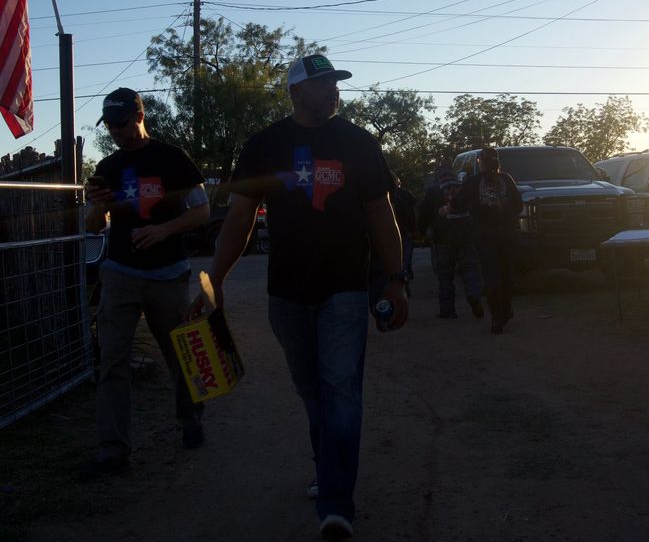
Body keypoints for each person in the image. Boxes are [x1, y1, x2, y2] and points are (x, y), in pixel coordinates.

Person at [192, 54, 408, 542]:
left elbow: (381, 215)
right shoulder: (266, 145)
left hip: (346, 289)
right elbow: (241, 217)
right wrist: (216, 277)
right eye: (323, 83)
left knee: (340, 390)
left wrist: (396, 278)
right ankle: (328, 468)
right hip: (286, 291)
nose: (334, 90)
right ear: (295, 91)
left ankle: (336, 504)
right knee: (313, 392)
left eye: (335, 82)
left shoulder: (358, 142)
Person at [79, 87, 212, 479]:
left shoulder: (172, 158)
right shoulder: (108, 165)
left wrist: (163, 230)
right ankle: (113, 451)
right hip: (120, 272)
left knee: (178, 353)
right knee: (113, 361)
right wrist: (97, 205)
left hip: (168, 273)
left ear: (139, 115)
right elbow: (91, 226)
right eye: (110, 125)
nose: (116, 132)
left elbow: (202, 211)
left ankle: (190, 419)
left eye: (122, 123)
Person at [448, 147, 522, 334]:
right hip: (508, 235)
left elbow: (457, 203)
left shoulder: (473, 182)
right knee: (507, 274)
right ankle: (505, 310)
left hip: (484, 236)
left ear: (480, 162)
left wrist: (447, 207)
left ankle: (496, 318)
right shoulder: (507, 179)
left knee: (491, 276)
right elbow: (519, 205)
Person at [416, 166, 484, 319]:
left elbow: (424, 213)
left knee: (445, 276)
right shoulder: (464, 187)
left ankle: (448, 311)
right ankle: (474, 295)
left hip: (443, 240)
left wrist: (420, 232)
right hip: (467, 237)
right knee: (470, 270)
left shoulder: (433, 191)